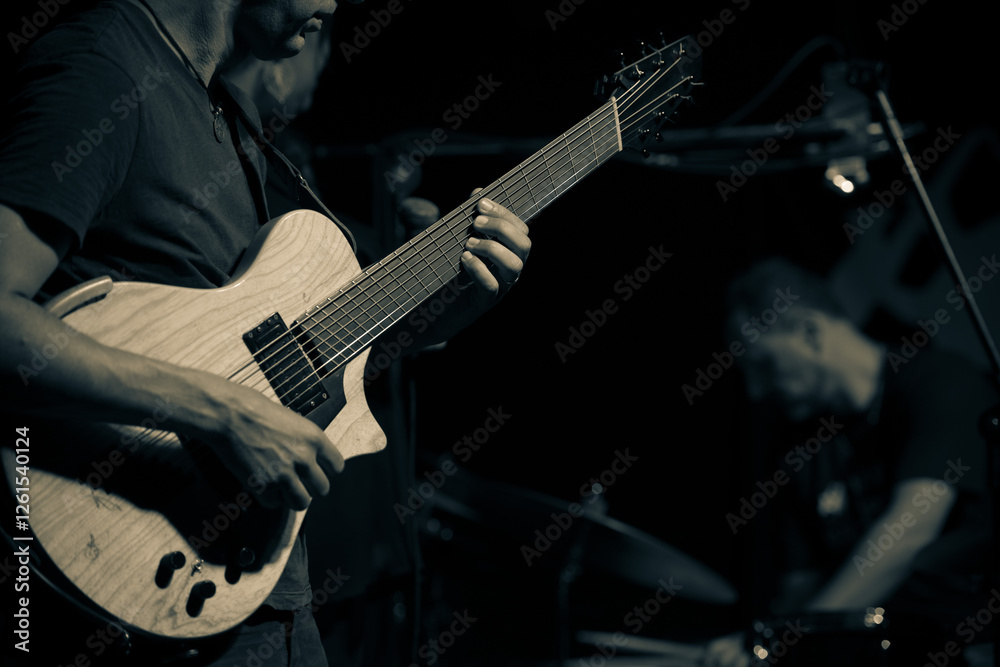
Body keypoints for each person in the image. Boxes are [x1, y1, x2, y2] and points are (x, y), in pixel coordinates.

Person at [0, 0, 530, 665]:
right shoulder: (102, 70)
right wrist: (222, 414)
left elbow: (293, 362)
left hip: (250, 593)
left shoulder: (222, 108)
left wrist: (451, 303)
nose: (333, 5)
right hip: (134, 590)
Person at [704, 256, 996, 667]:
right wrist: (760, 641)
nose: (756, 391)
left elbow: (912, 528)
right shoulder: (800, 449)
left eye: (764, 365)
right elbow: (801, 589)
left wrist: (787, 636)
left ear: (810, 333)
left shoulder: (940, 381)